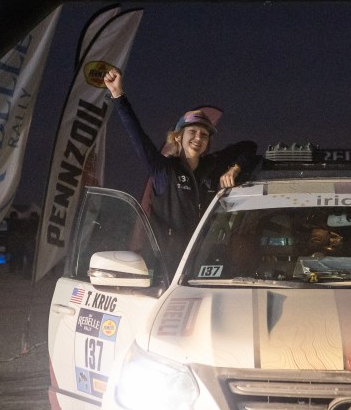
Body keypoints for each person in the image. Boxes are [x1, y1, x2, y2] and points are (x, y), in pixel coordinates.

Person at [103, 67, 256, 271]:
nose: (198, 138)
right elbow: (137, 135)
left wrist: (234, 169)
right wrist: (118, 95)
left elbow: (249, 147)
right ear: (178, 137)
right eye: (192, 132)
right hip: (165, 271)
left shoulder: (213, 166)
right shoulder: (164, 170)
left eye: (204, 135)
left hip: (201, 267)